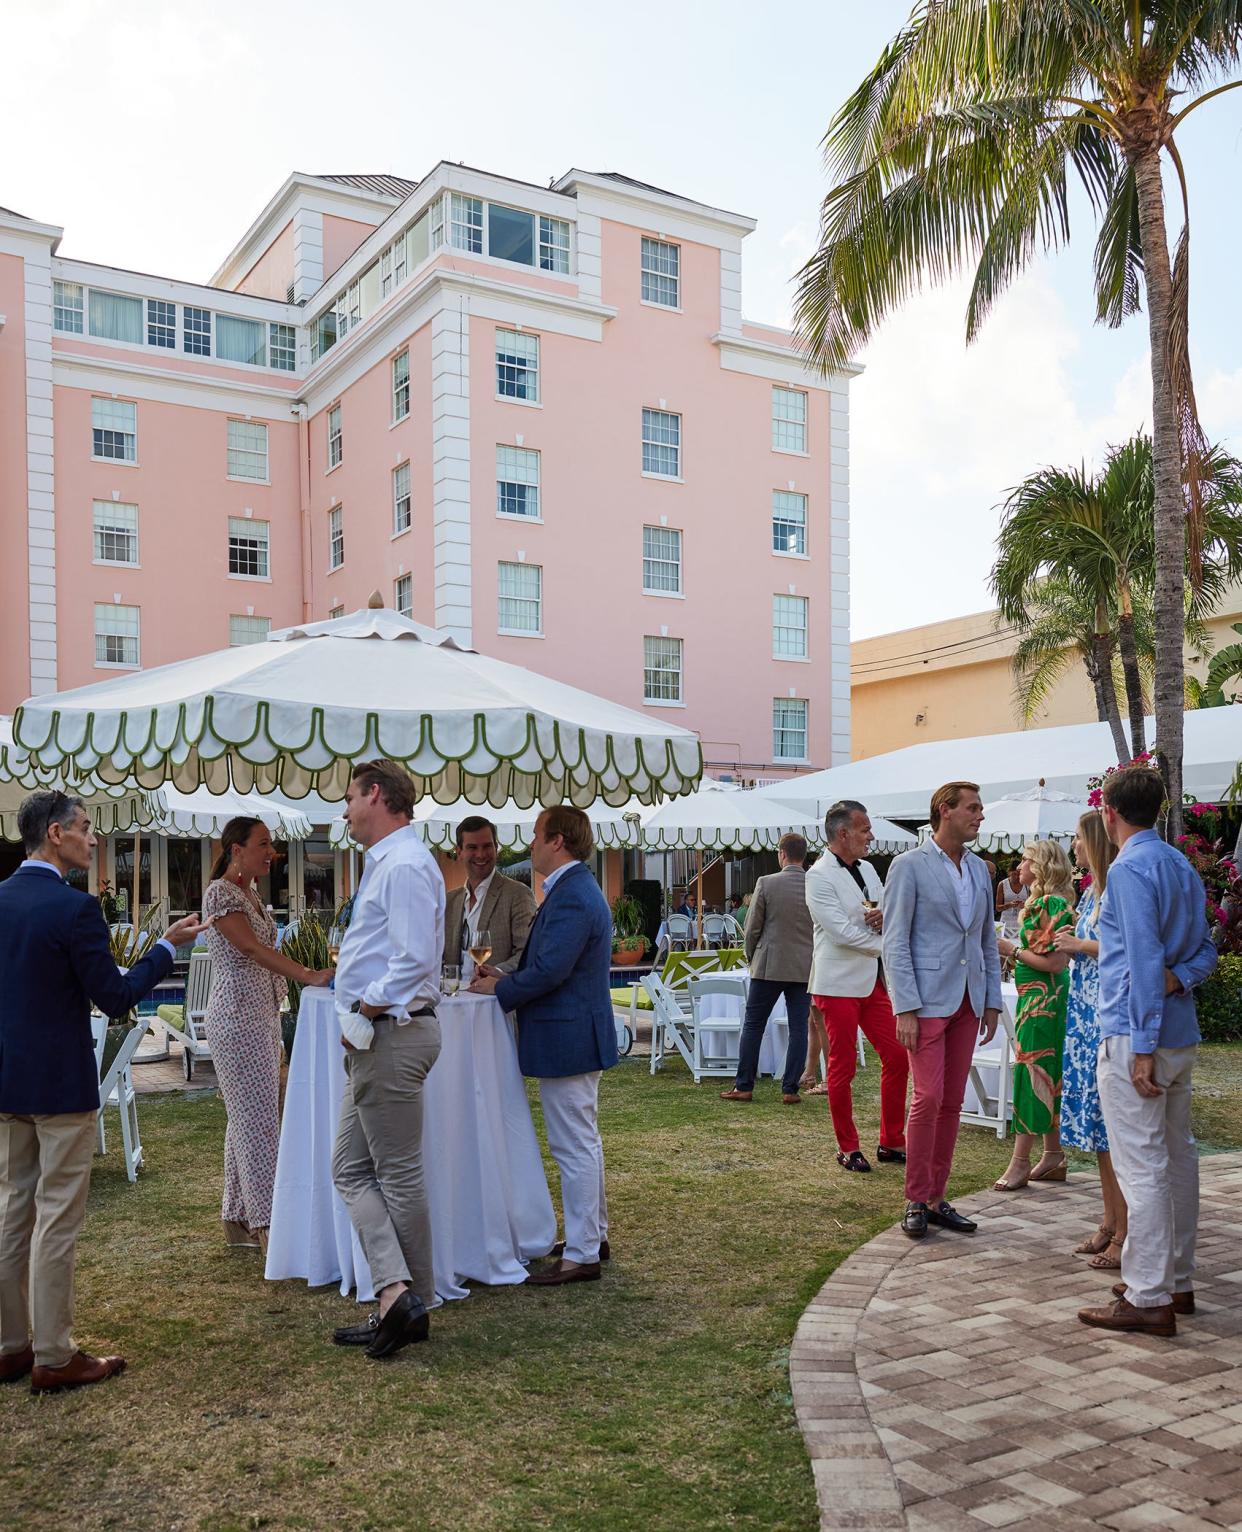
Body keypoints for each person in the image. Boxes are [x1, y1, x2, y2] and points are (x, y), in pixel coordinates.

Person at [0, 790, 206, 1393]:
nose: (94, 840)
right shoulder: (75, 910)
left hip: (9, 1082)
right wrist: (167, 949)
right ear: (58, 834)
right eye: (87, 829)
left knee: (14, 1210)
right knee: (56, 1218)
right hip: (61, 1085)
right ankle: (55, 1354)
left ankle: (11, 1344)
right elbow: (114, 999)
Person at [1079, 766, 1217, 1338]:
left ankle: (1150, 1294)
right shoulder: (1180, 864)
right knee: (1177, 1158)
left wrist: (1140, 1045)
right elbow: (1205, 951)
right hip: (1176, 1035)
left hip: (1143, 1039)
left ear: (1110, 813)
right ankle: (1173, 1280)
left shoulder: (1132, 868)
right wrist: (1176, 980)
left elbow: (1139, 960)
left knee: (1146, 1166)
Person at [470, 806, 617, 1285]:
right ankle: (591, 1236)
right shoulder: (573, 889)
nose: (529, 844)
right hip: (573, 1032)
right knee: (583, 1141)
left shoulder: (572, 894)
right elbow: (551, 962)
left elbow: (553, 970)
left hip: (567, 1034)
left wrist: (500, 989)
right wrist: (503, 974)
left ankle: (581, 1254)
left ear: (558, 841)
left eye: (535, 836)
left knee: (572, 1145)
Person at [330, 761, 445, 1360]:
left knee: (396, 1173)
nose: (345, 809)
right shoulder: (393, 863)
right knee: (348, 1168)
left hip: (390, 1034)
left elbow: (414, 958)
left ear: (376, 795)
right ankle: (397, 1297)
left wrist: (366, 1010)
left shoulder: (401, 864)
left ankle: (407, 1303)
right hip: (380, 1034)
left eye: (350, 797)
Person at [203, 817, 333, 1253]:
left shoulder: (251, 893)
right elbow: (252, 949)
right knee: (257, 1123)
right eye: (263, 844)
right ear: (236, 849)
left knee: (248, 1117)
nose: (271, 851)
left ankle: (237, 1219)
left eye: (271, 843)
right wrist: (307, 975)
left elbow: (264, 950)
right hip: (237, 1019)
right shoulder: (221, 893)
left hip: (260, 1015)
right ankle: (269, 1224)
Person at [883, 781, 1001, 1239]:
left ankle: (935, 1198)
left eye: (980, 808)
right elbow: (895, 941)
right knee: (927, 1098)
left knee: (951, 1102)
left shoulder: (978, 869)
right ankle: (915, 1197)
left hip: (970, 1000)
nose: (980, 815)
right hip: (927, 1001)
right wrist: (905, 1007)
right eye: (973, 808)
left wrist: (991, 1000)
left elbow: (986, 939)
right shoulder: (907, 866)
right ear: (944, 811)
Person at [805, 801, 909, 1172]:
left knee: (897, 1056)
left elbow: (883, 909)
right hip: (836, 984)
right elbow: (840, 932)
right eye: (865, 830)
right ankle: (848, 1146)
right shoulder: (817, 876)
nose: (871, 836)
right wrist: (890, 945)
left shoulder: (866, 868)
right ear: (843, 833)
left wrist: (885, 915)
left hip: (871, 980)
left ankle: (891, 1139)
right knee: (842, 1065)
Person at [1054, 811, 1127, 1268]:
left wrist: (1078, 946)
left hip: (1105, 1015)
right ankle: (1109, 1220)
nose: (1073, 846)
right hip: (1083, 1016)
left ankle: (1125, 1231)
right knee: (1099, 1131)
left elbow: (1124, 947)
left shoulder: (1118, 885)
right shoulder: (1089, 891)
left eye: (1078, 838)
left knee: (1115, 1130)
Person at [993, 840, 1076, 1189]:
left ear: (1041, 867)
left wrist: (1011, 949)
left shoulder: (1050, 903)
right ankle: (1053, 1155)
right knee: (1046, 1074)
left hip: (1044, 1002)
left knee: (1032, 1072)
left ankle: (1020, 1162)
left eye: (1026, 860)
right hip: (1040, 1000)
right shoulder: (1044, 902)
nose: (1020, 866)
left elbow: (1055, 962)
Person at [720, 833, 813, 1106]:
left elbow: (752, 929)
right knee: (799, 1028)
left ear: (782, 854)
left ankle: (744, 1084)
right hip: (804, 967)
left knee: (754, 1025)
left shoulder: (767, 883)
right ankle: (790, 1088)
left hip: (768, 964)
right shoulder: (817, 884)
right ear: (804, 855)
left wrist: (751, 958)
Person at [443, 816, 536, 980]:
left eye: (487, 846)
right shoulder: (450, 901)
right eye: (472, 847)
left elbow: (528, 953)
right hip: (453, 999)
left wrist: (495, 973)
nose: (480, 854)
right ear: (459, 852)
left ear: (496, 848)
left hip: (493, 1002)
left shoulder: (518, 894)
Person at [996, 863, 1026, 943]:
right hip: (1006, 922)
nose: (1017, 877)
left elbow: (1032, 904)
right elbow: (998, 908)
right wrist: (1009, 905)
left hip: (1022, 921)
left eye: (1019, 874)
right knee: (1005, 946)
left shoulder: (1026, 884)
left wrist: (1024, 905)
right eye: (1014, 874)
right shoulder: (1002, 884)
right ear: (1009, 872)